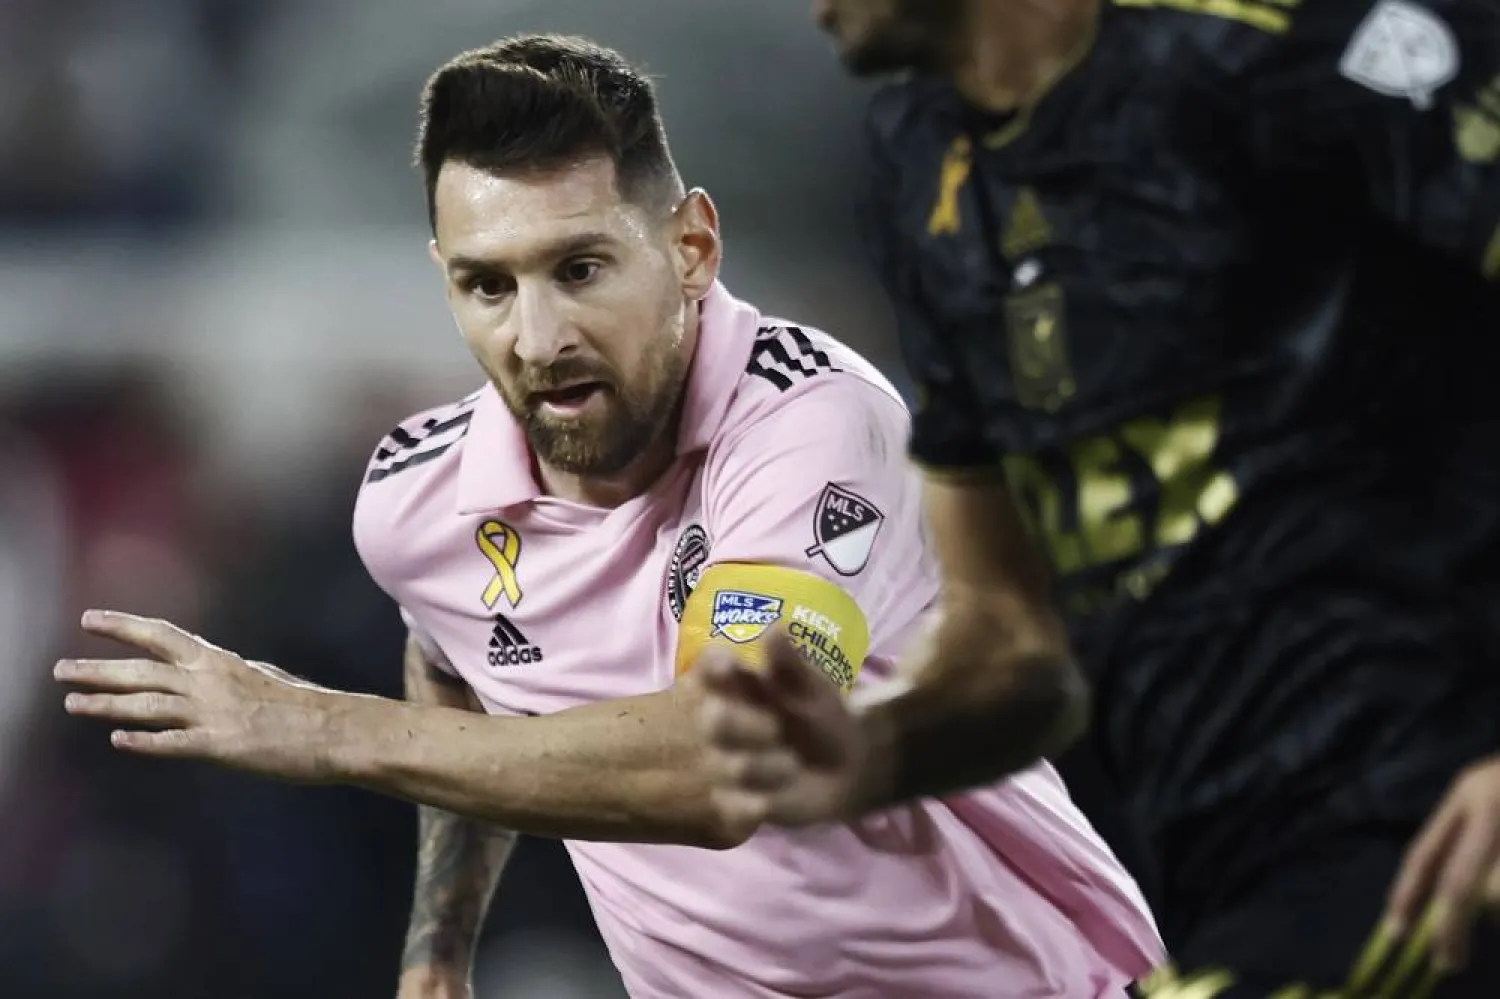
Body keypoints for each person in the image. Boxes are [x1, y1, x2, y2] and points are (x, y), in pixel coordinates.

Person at [53, 34, 1164, 999]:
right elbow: (452, 660)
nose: (539, 338)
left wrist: (328, 730)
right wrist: (439, 948)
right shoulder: (414, 501)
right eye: (490, 286)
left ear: (690, 248)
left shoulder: (817, 423)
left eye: (580, 267)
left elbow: (729, 769)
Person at [696, 0, 1500, 996]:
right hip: (1228, 887)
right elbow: (1015, 644)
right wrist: (868, 750)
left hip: (1431, 843)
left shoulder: (1288, 39)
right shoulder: (922, 169)